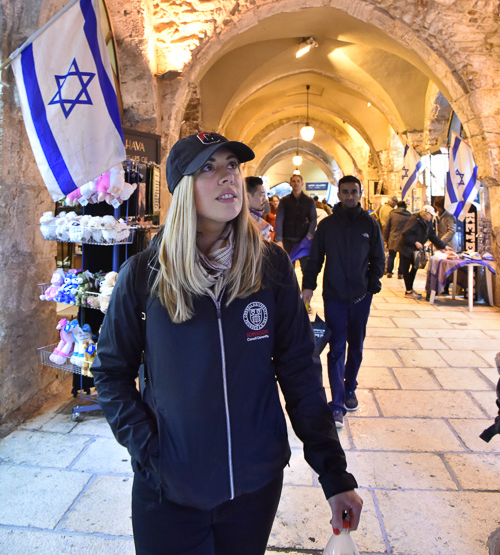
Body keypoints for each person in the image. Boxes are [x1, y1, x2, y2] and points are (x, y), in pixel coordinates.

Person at [92, 132, 362, 555]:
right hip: (171, 489)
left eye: (232, 166)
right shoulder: (144, 274)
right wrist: (151, 451)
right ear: (183, 189)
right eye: (209, 168)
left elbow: (299, 373)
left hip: (254, 485)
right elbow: (110, 374)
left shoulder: (269, 266)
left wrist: (334, 475)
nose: (228, 178)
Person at [302, 175, 385, 430]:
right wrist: (308, 286)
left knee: (356, 347)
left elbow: (378, 257)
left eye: (354, 191)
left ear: (360, 194)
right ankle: (336, 404)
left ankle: (350, 388)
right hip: (335, 296)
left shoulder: (370, 225)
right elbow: (314, 258)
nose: (350, 196)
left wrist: (373, 280)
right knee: (336, 348)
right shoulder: (327, 226)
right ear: (338, 194)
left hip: (361, 297)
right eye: (345, 192)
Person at [396, 204, 451, 300]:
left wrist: (444, 246)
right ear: (425, 214)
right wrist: (415, 242)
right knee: (406, 269)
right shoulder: (414, 220)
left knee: (415, 267)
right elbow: (406, 233)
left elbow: (432, 236)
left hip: (414, 250)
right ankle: (408, 291)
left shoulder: (427, 223)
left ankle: (410, 289)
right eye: (431, 215)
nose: (432, 217)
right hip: (406, 248)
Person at [274, 173, 317, 273]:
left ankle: (306, 288)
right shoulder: (284, 201)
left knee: (306, 269)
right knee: (288, 269)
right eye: (294, 181)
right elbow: (279, 220)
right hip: (288, 240)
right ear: (290, 183)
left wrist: (310, 235)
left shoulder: (309, 201)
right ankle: (290, 289)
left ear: (302, 183)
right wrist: (279, 240)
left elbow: (313, 219)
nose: (296, 183)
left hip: (304, 240)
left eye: (298, 181)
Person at [383, 200, 411, 278]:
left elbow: (387, 226)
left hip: (393, 238)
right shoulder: (408, 215)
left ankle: (389, 272)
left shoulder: (392, 214)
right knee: (402, 256)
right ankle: (400, 273)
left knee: (391, 255)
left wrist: (385, 238)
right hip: (403, 239)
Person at [245, 175, 273, 241]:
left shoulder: (258, 217)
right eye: (261, 195)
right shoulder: (244, 222)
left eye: (264, 195)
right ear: (247, 197)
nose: (264, 199)